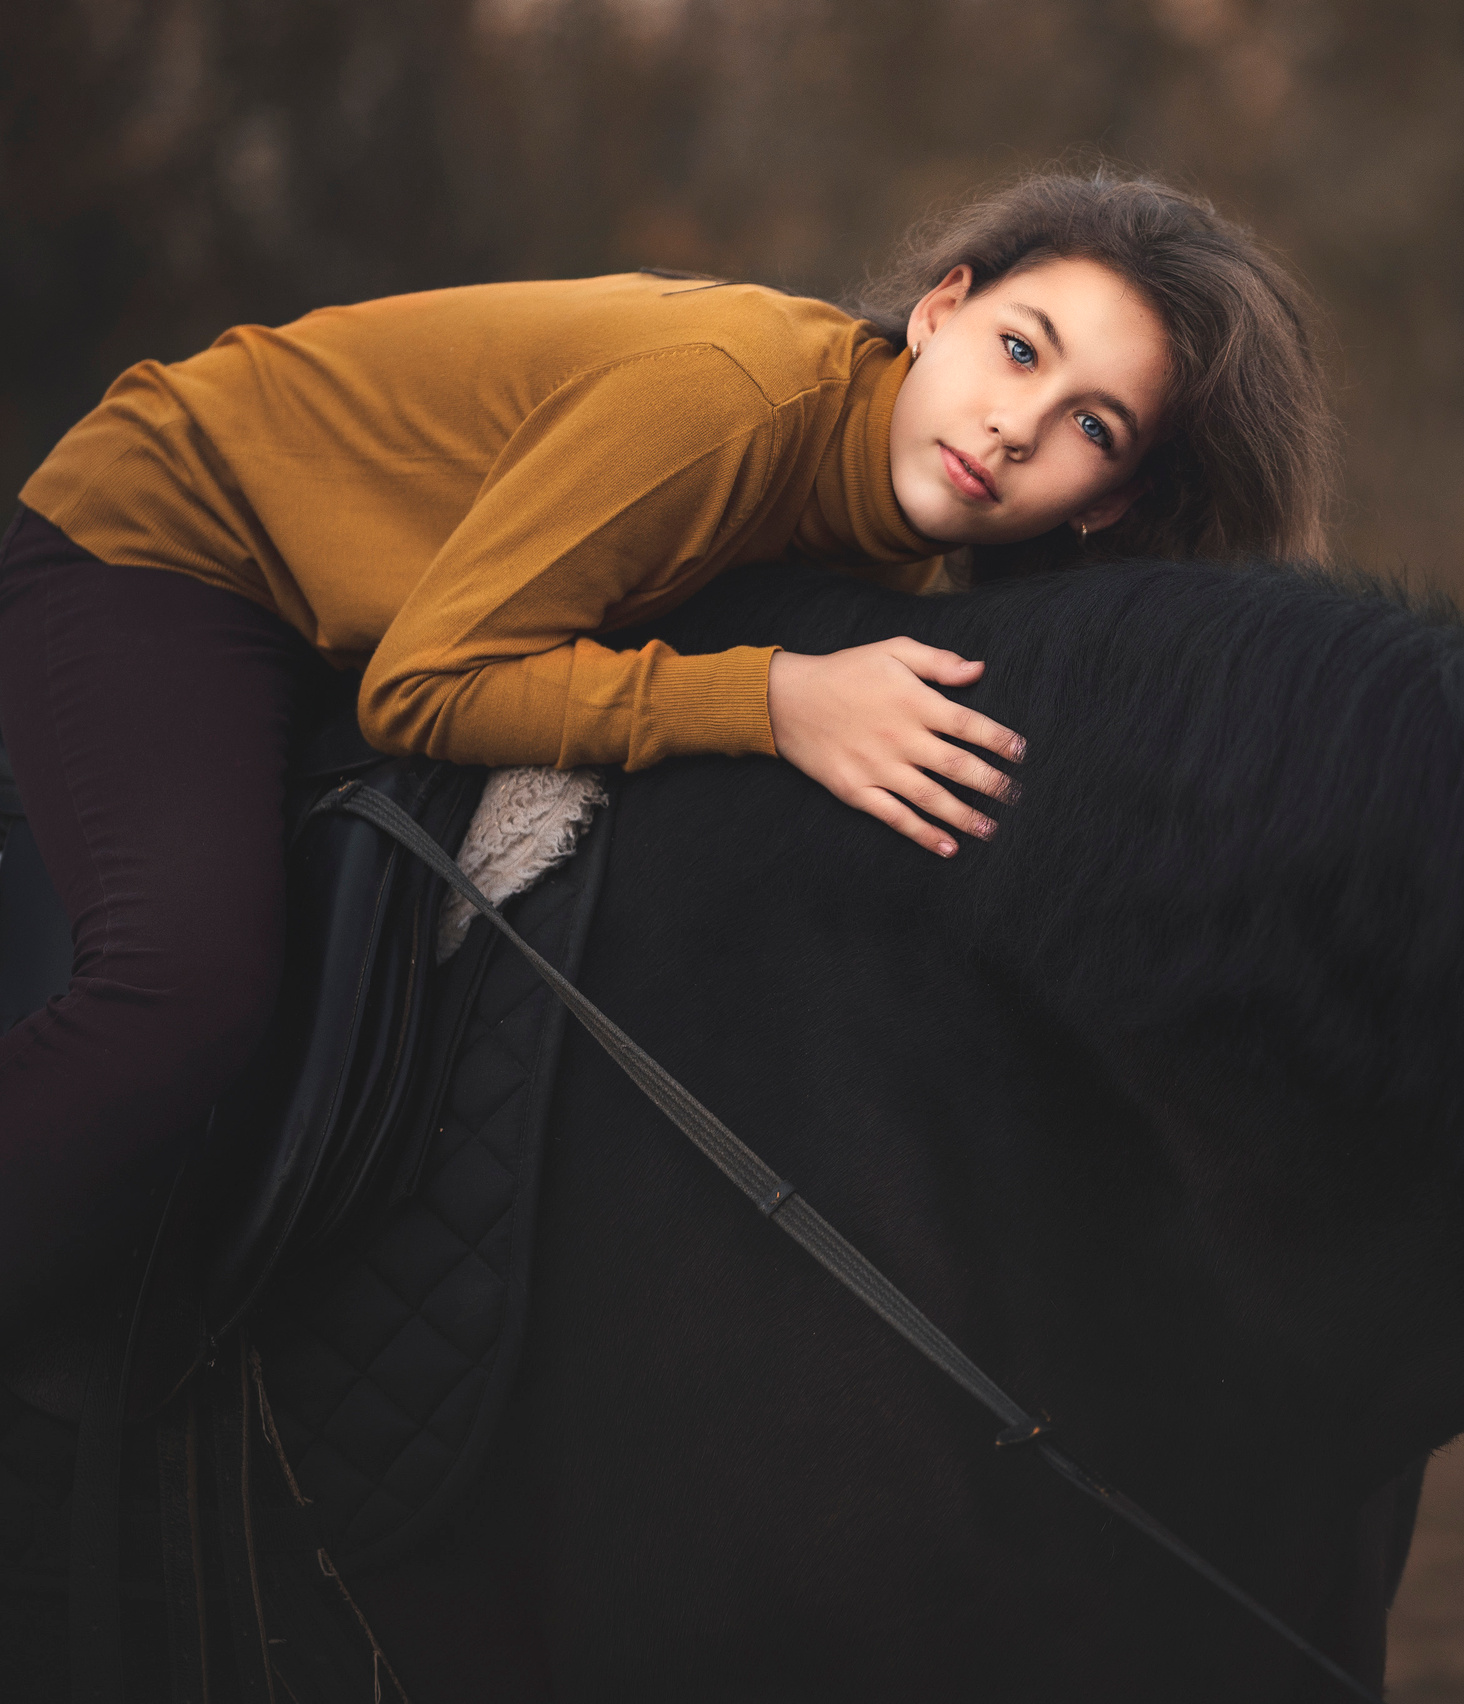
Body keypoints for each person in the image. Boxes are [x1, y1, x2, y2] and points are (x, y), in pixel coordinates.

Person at [0, 169, 1335, 1329]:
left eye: (1093, 425)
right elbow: (429, 684)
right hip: (176, 531)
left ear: (1113, 503)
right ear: (941, 309)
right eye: (1020, 350)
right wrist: (773, 700)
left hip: (349, 589)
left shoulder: (891, 547)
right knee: (185, 996)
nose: (1014, 427)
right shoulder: (731, 401)